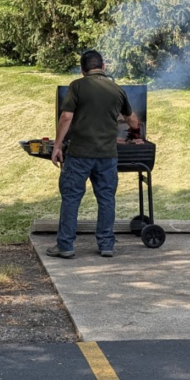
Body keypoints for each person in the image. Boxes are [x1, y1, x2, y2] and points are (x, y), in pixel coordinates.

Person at [47, 50, 142, 259]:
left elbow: (66, 117)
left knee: (71, 198)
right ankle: (106, 245)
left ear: (82, 70)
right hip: (107, 155)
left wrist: (57, 146)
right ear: (103, 67)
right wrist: (135, 132)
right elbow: (133, 121)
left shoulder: (77, 86)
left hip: (79, 154)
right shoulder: (117, 89)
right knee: (106, 198)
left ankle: (65, 246)